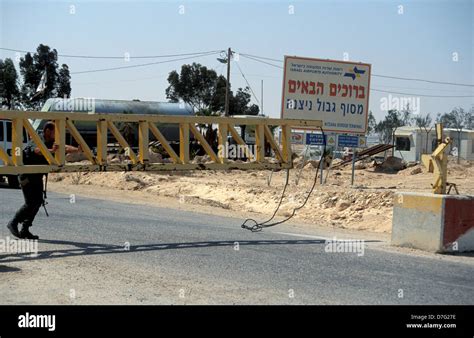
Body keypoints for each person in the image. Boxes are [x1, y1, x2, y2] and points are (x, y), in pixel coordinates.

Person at [7, 121, 82, 239]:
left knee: (38, 202)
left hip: (37, 176)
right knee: (30, 203)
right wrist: (51, 151)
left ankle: (25, 229)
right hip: (26, 175)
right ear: (47, 131)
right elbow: (36, 150)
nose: (56, 136)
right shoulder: (38, 139)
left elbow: (64, 147)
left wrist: (77, 150)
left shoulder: (52, 141)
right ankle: (13, 222)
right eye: (54, 132)